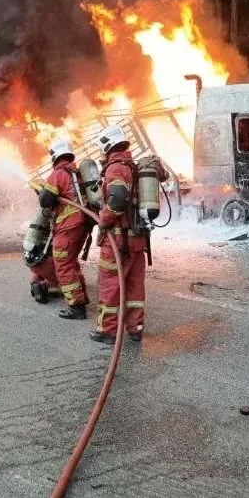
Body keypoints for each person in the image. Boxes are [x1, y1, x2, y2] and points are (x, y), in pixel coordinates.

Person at [90, 124, 147, 344]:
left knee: (111, 285)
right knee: (134, 286)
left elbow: (118, 198)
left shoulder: (115, 168)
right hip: (137, 240)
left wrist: (103, 219)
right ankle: (135, 328)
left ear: (106, 145)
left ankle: (108, 331)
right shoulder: (133, 166)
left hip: (118, 241)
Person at [39, 138, 91, 319]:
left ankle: (77, 306)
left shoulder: (59, 174)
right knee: (71, 260)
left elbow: (45, 201)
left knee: (62, 265)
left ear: (54, 155)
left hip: (68, 226)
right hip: (83, 225)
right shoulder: (77, 172)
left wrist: (43, 189)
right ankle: (81, 294)